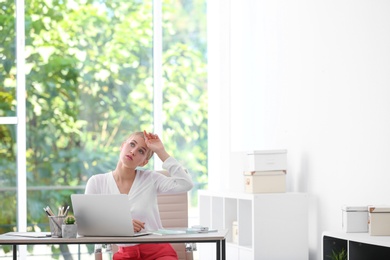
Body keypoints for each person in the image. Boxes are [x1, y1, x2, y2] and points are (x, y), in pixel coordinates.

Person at [85, 130, 194, 260]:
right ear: (122, 146)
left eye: (141, 151)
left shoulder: (151, 179)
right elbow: (87, 224)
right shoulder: (97, 182)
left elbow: (186, 184)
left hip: (159, 252)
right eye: (132, 144)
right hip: (125, 254)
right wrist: (121, 224)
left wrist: (161, 151)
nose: (133, 151)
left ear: (144, 162)